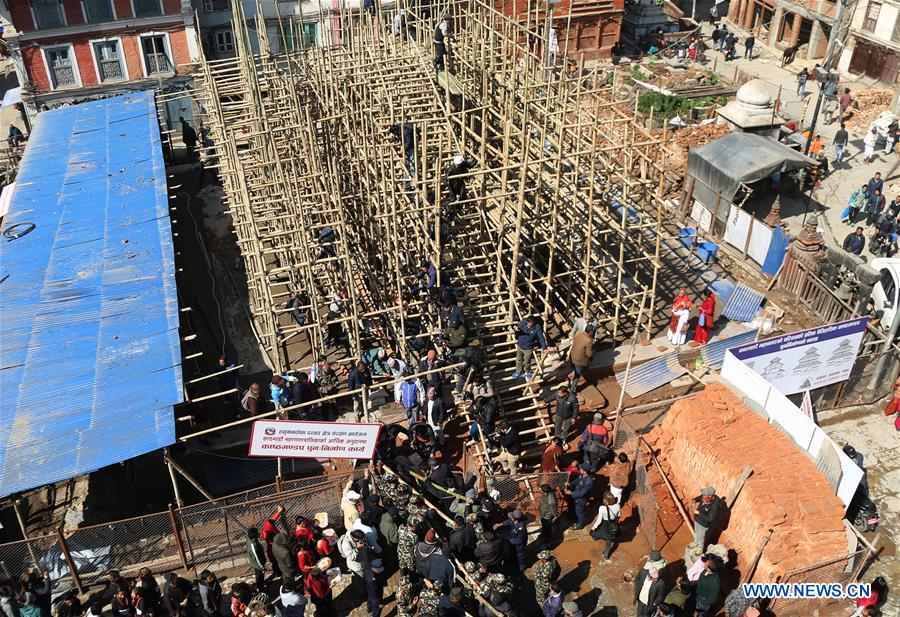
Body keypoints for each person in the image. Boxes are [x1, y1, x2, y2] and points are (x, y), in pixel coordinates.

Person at [590, 492, 620, 560]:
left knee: (594, 533)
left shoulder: (602, 508)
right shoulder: (617, 506)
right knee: (608, 540)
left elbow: (599, 521)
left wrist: (593, 528)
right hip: (612, 525)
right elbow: (618, 517)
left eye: (604, 498)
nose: (603, 499)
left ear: (606, 500)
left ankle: (596, 538)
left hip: (604, 525)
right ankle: (606, 554)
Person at [566, 465, 594, 530]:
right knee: (577, 511)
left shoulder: (589, 481)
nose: (579, 469)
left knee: (580, 513)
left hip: (581, 499)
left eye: (581, 469)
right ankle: (577, 520)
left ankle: (580, 525)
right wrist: (570, 483)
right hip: (576, 496)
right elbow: (577, 480)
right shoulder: (582, 475)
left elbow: (582, 493)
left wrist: (571, 493)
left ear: (585, 471)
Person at [569, 323, 594, 390]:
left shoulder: (579, 333)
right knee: (577, 374)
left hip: (572, 354)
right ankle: (572, 389)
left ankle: (575, 366)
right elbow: (589, 354)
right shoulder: (589, 341)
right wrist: (590, 358)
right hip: (578, 360)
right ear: (590, 332)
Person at [538, 483, 559, 549]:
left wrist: (556, 515)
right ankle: (543, 534)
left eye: (541, 490)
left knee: (548, 529)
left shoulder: (551, 498)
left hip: (547, 516)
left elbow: (553, 509)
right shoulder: (546, 494)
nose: (540, 491)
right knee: (544, 526)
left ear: (545, 491)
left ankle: (548, 542)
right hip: (543, 514)